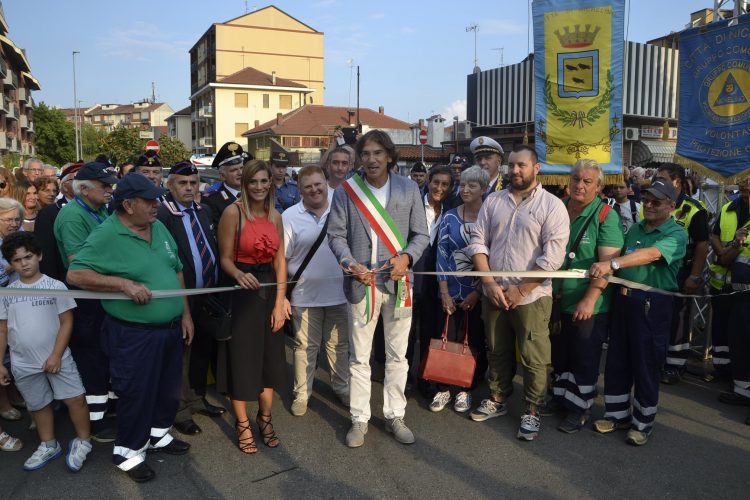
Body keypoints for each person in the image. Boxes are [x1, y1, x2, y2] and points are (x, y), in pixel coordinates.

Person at [66, 173, 193, 482]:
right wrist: (122, 284)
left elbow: (175, 271)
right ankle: (128, 452)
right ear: (128, 204)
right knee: (136, 392)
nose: (156, 205)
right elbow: (76, 274)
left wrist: (186, 314)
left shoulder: (158, 226)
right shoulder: (107, 234)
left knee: (166, 389)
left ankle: (158, 434)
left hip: (170, 328)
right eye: (149, 201)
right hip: (134, 334)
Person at [328, 129, 429, 448]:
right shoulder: (347, 191)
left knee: (398, 355)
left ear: (389, 157)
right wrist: (349, 263)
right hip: (362, 285)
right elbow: (336, 235)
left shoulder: (409, 188)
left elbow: (421, 235)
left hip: (399, 285)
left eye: (377, 153)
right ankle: (359, 418)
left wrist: (407, 258)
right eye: (366, 154)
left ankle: (395, 414)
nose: (371, 159)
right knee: (360, 357)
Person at [465, 144, 569, 441]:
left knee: (534, 355)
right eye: (511, 165)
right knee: (496, 347)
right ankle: (498, 398)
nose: (515, 170)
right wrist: (489, 283)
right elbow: (478, 242)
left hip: (532, 297)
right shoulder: (493, 201)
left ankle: (533, 409)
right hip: (494, 292)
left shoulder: (552, 206)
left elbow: (552, 258)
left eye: (522, 165)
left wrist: (521, 289)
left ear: (536, 168)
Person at [590, 179, 686, 446]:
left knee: (645, 363)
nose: (650, 205)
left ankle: (643, 423)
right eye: (646, 200)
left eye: (657, 201)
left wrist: (613, 263)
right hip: (625, 303)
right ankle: (617, 415)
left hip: (651, 306)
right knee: (618, 360)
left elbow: (651, 255)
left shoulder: (676, 234)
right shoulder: (635, 228)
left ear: (671, 205)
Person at [0, 232, 91, 471]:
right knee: (38, 405)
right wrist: (0, 362)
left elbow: (67, 322)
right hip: (23, 362)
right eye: (17, 260)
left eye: (28, 256)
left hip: (57, 357)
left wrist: (56, 355)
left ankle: (83, 441)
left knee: (75, 399)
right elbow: (2, 330)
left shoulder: (56, 286)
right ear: (11, 263)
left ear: (38, 255)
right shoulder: (7, 292)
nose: (24, 263)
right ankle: (49, 444)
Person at [216, 160, 290, 455]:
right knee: (242, 361)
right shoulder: (232, 213)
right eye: (253, 182)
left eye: (264, 181)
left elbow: (280, 261)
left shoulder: (275, 216)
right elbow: (224, 258)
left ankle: (265, 418)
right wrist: (237, 274)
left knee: (270, 360)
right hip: (242, 292)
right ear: (244, 184)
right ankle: (243, 423)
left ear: (270, 183)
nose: (259, 187)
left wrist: (280, 301)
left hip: (270, 290)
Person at [549, 160, 624, 433]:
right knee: (560, 355)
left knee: (584, 357)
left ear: (599, 186)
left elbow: (608, 263)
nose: (579, 185)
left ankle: (579, 408)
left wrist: (590, 298)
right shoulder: (558, 207)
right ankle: (559, 398)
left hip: (588, 304)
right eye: (575, 178)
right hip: (556, 300)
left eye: (587, 181)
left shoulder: (606, 216)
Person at [157, 161, 225, 435]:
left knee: (201, 351)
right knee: (181, 354)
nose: (188, 188)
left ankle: (197, 397)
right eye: (182, 183)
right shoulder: (163, 215)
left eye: (193, 183)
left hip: (207, 294)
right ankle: (180, 409)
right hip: (181, 297)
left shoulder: (204, 210)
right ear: (170, 185)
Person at [53, 162, 118, 443]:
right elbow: (77, 268)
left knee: (105, 355)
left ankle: (108, 407)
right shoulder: (72, 217)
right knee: (90, 358)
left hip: (102, 296)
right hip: (86, 299)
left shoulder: (100, 209)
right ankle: (96, 420)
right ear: (84, 189)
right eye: (104, 186)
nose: (109, 189)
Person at [283, 166, 349, 417]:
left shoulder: (341, 208)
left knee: (338, 346)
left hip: (339, 293)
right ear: (299, 189)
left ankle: (342, 388)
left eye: (318, 184)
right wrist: (282, 296)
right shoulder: (289, 216)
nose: (314, 189)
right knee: (304, 347)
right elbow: (283, 259)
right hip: (305, 294)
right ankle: (302, 394)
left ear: (326, 183)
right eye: (308, 186)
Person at [432, 166, 489, 413]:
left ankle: (465, 390)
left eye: (472, 186)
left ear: (484, 190)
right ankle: (443, 388)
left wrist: (477, 292)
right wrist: (444, 291)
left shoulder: (491, 218)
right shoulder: (450, 217)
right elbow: (441, 254)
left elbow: (493, 257)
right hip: (449, 289)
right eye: (463, 184)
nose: (465, 189)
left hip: (478, 292)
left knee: (472, 340)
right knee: (447, 337)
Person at [655, 163, 709, 385]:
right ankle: (657, 360)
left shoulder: (694, 209)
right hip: (657, 271)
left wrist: (694, 276)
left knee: (679, 319)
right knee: (658, 316)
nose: (657, 182)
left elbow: (702, 245)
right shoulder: (652, 202)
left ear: (676, 182)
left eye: (662, 178)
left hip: (682, 271)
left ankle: (675, 365)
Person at [408, 165, 453, 399]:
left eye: (445, 184)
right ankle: (403, 378)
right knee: (405, 332)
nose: (439, 188)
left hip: (436, 284)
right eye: (436, 182)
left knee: (430, 332)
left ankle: (425, 378)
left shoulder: (452, 211)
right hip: (410, 277)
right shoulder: (413, 204)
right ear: (428, 181)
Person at [708, 177, 750, 379]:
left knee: (741, 337)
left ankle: (738, 375)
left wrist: (729, 251)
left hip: (744, 290)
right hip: (722, 283)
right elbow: (714, 234)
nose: (746, 183)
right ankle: (722, 370)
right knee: (721, 331)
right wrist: (722, 250)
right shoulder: (728, 208)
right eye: (743, 179)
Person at [34, 162, 82, 282]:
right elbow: (47, 255)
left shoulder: (100, 210)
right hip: (64, 282)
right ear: (65, 186)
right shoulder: (49, 213)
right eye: (77, 178)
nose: (83, 182)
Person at [203, 142, 247, 226]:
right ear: (222, 176)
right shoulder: (212, 201)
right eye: (234, 170)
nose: (240, 173)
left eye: (241, 168)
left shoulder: (253, 193)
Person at [0, 198, 23, 287]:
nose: (14, 224)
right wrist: (13, 265)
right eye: (8, 220)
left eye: (17, 219)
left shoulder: (22, 236)